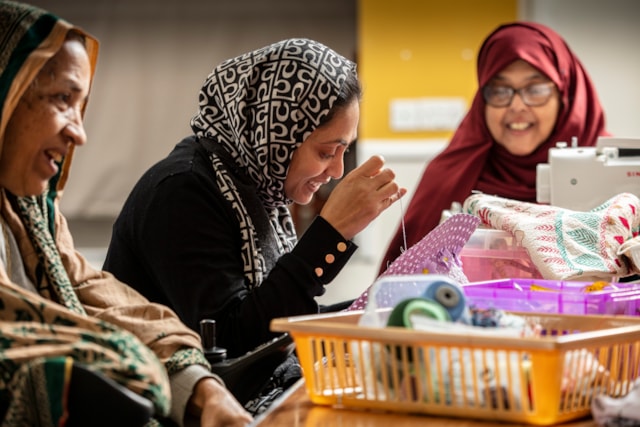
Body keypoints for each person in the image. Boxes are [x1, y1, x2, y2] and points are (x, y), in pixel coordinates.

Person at [102, 38, 406, 407]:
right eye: (327, 152)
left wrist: (376, 311)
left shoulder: (261, 191)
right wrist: (329, 234)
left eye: (345, 151)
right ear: (276, 133)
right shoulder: (183, 191)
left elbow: (278, 316)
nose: (337, 171)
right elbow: (235, 346)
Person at [0, 1, 252, 426]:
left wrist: (200, 388)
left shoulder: (34, 211)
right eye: (62, 99)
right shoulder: (185, 187)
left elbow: (95, 296)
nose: (79, 133)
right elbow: (242, 326)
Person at [378, 21, 609, 274]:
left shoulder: (611, 170)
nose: (517, 105)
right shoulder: (449, 176)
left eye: (535, 89)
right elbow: (400, 282)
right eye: (499, 90)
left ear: (564, 94)